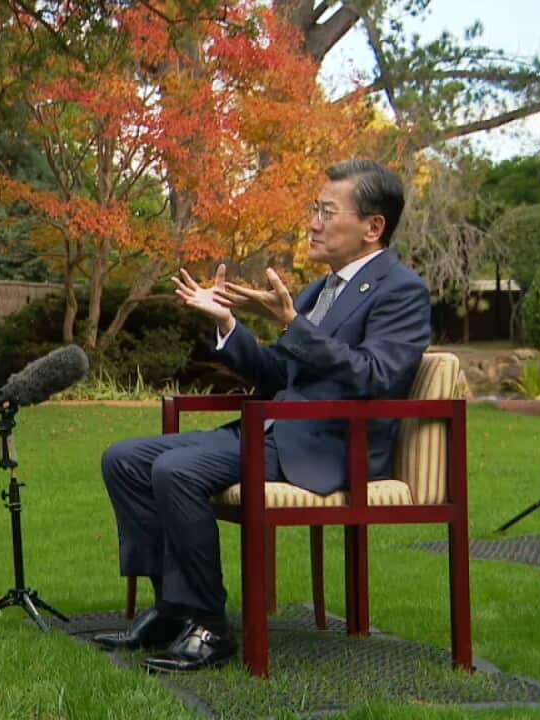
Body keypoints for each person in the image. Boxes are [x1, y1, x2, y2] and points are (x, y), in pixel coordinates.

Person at [93, 159, 430, 673]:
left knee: (175, 470)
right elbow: (279, 375)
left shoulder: (401, 290)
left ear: (372, 226)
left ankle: (209, 625)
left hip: (332, 448)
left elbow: (377, 376)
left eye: (325, 211)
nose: (313, 222)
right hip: (277, 432)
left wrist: (295, 323)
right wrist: (229, 326)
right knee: (124, 459)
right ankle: (172, 609)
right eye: (314, 210)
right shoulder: (322, 291)